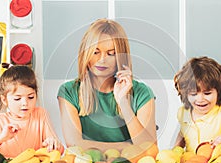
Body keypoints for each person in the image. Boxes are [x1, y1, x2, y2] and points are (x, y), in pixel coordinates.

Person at [57, 18, 157, 151]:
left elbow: (150, 148)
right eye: (96, 52)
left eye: (111, 54)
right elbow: (74, 144)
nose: (102, 60)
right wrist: (128, 146)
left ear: (121, 56)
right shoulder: (69, 91)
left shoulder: (142, 93)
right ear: (85, 54)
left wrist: (124, 103)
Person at [173, 56, 221, 152]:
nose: (200, 99)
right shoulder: (183, 112)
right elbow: (183, 133)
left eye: (207, 93)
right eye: (193, 94)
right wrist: (175, 149)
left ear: (219, 91)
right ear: (185, 93)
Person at [0, 65, 64, 158]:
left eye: (30, 97)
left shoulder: (41, 115)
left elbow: (60, 150)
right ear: (4, 100)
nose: (25, 103)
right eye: (17, 98)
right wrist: (1, 138)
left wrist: (53, 144)